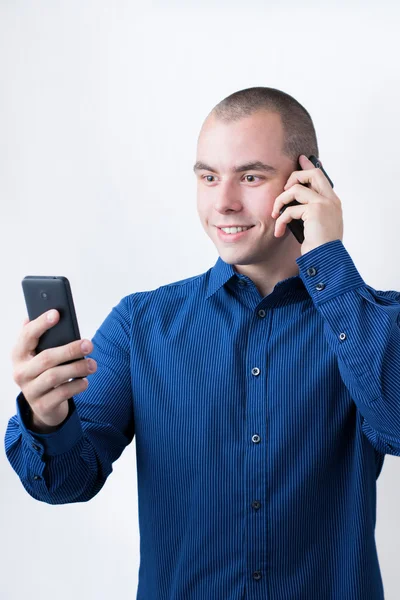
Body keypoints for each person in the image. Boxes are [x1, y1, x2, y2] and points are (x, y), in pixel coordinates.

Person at [5, 86, 400, 600]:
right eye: (208, 177)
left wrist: (326, 256)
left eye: (251, 176)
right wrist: (46, 418)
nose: (224, 202)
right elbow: (64, 483)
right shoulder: (141, 324)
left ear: (309, 183)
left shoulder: (370, 320)